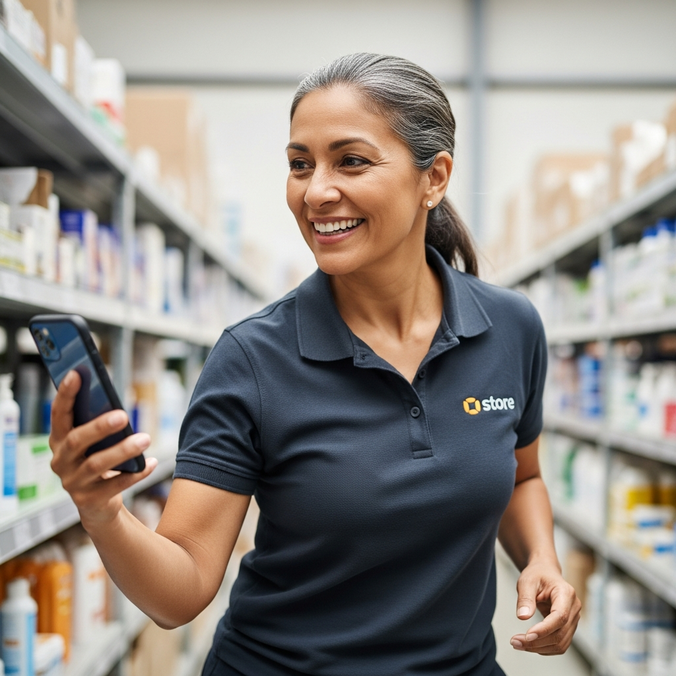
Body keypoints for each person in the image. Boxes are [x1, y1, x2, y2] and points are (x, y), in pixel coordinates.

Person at [49, 53, 580, 676]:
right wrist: (102, 510)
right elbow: (182, 588)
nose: (316, 191)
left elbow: (521, 476)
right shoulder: (252, 357)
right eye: (300, 164)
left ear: (433, 179)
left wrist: (540, 557)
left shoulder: (510, 328)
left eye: (350, 160)